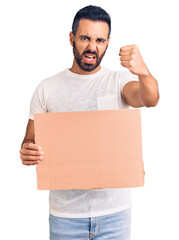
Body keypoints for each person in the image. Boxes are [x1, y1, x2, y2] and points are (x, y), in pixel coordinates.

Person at [19, 5, 159, 240]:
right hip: (65, 217)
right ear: (72, 38)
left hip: (115, 216)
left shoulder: (118, 81)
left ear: (108, 42)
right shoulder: (47, 89)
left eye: (100, 40)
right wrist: (27, 152)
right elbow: (29, 141)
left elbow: (150, 99)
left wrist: (144, 73)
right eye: (85, 38)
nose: (92, 47)